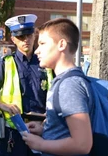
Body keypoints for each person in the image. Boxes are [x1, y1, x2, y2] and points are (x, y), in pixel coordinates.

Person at [22, 18, 94, 155]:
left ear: (61, 44)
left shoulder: (69, 85)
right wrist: (45, 130)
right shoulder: (64, 80)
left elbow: (82, 144)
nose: (37, 51)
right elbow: (67, 130)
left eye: (42, 43)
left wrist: (41, 144)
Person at [0, 14, 48, 156]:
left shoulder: (46, 62)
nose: (25, 40)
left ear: (34, 35)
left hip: (43, 129)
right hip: (15, 131)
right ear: (13, 39)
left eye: (28, 35)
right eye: (20, 37)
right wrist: (2, 105)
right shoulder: (5, 63)